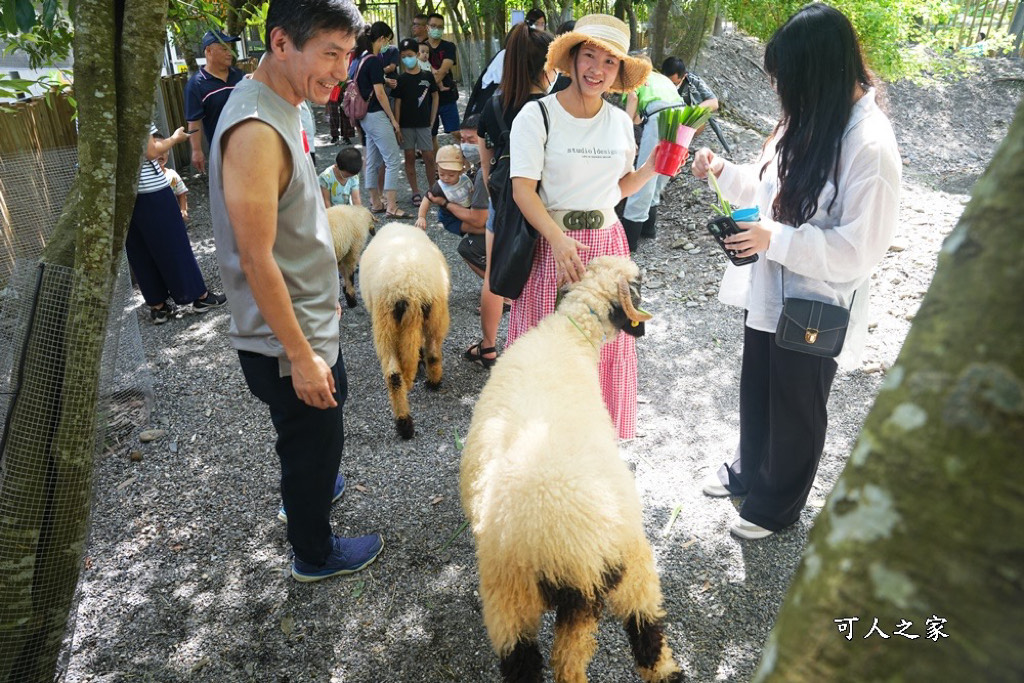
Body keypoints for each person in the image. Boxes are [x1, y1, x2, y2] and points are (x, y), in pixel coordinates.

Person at [694, 3, 901, 540]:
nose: (782, 92)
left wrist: (775, 239)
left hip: (817, 299)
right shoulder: (811, 117)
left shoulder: (870, 145)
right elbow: (768, 189)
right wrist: (724, 171)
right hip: (770, 286)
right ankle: (749, 473)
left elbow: (859, 250)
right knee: (760, 385)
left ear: (819, 72)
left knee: (797, 401)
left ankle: (777, 505)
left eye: (787, 80)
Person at [209, 0, 384, 581]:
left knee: (314, 434)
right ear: (282, 43)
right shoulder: (256, 129)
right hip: (288, 341)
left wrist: (326, 288)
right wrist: (302, 354)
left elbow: (295, 219)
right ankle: (314, 552)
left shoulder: (288, 101)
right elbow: (256, 257)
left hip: (311, 317)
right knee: (311, 435)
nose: (342, 70)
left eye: (348, 54)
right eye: (330, 53)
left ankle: (310, 480)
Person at [507, 14, 662, 440]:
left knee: (606, 346)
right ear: (571, 60)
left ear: (618, 72)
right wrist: (556, 239)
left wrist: (651, 168)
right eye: (589, 56)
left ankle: (592, 444)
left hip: (609, 246)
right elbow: (523, 190)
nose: (597, 69)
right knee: (549, 346)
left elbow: (619, 186)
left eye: (609, 62)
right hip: (552, 244)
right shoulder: (537, 115)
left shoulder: (618, 122)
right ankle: (537, 443)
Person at [468, 23, 555, 369]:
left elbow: (483, 147)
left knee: (496, 273)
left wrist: (494, 189)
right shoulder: (553, 107)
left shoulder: (495, 104)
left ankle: (489, 346)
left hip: (504, 205)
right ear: (547, 66)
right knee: (541, 279)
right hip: (544, 204)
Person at [129, 125, 226, 323]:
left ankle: (158, 306)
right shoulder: (136, 105)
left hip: (122, 196)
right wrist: (174, 138)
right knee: (175, 245)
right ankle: (200, 297)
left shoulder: (88, 113)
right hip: (152, 189)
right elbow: (151, 151)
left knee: (140, 250)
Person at [620, 64, 686, 249]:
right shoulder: (661, 78)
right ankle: (648, 229)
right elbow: (642, 116)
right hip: (682, 115)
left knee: (644, 174)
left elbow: (633, 101)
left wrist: (626, 134)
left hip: (659, 115)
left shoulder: (635, 78)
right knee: (662, 169)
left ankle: (628, 241)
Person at [354, 21, 409, 218]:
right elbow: (380, 94)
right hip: (376, 115)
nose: (388, 44)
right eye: (388, 40)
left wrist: (383, 80)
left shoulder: (360, 58)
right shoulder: (375, 60)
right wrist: (394, 120)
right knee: (393, 158)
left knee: (372, 161)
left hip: (364, 117)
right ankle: (392, 206)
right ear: (383, 38)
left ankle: (375, 202)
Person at [184, 30, 245, 174]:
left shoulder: (240, 76)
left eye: (230, 47)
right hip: (222, 151)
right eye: (224, 48)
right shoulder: (196, 85)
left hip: (249, 143)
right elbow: (194, 121)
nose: (229, 52)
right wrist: (196, 150)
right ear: (209, 51)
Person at [395, 37, 439, 206]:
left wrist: (433, 118)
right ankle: (415, 192)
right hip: (406, 125)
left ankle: (433, 189)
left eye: (411, 54)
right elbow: (397, 102)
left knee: (429, 156)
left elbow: (435, 96)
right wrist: (397, 126)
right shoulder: (401, 79)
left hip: (424, 125)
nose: (408, 58)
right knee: (410, 156)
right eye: (404, 55)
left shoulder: (427, 76)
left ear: (417, 54)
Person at [414, 141, 487, 240]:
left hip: (467, 211)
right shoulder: (439, 187)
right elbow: (427, 199)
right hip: (451, 219)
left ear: (461, 171)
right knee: (480, 229)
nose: (446, 178)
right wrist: (421, 217)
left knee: (478, 226)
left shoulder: (466, 179)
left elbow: (473, 189)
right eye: (441, 174)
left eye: (451, 175)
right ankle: (492, 233)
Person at [422, 13, 460, 144]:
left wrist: (429, 83)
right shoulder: (420, 47)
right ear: (427, 27)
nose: (436, 29)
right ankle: (437, 163)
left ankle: (465, 161)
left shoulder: (449, 46)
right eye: (433, 26)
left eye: (440, 27)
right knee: (431, 136)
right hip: (428, 101)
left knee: (456, 132)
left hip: (447, 97)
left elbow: (443, 71)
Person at [153, 133, 189, 222]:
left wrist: (183, 210)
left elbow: (181, 193)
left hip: (171, 216)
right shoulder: (145, 178)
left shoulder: (172, 176)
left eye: (164, 150)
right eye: (157, 150)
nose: (160, 154)